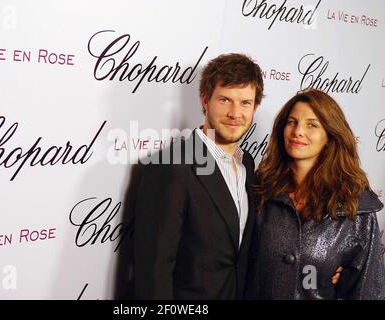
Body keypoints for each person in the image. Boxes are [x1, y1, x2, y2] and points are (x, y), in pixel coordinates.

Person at [133, 53, 264, 299]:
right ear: (205, 100)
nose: (235, 113)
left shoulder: (247, 163)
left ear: (255, 107)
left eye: (245, 103)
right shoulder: (171, 165)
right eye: (225, 100)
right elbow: (154, 271)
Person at [245, 89, 385, 299]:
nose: (298, 131)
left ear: (330, 135)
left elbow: (366, 291)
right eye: (292, 122)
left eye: (312, 124)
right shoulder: (260, 190)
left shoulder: (355, 207)